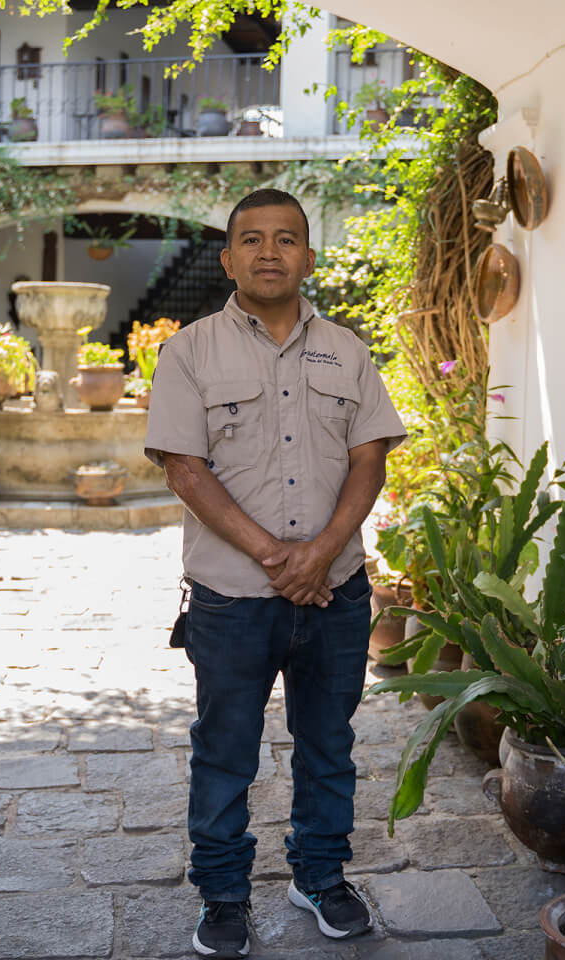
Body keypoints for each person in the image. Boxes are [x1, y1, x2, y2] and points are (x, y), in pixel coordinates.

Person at [144, 188, 406, 959]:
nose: (268, 252)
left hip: (337, 594)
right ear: (227, 259)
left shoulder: (348, 351)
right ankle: (223, 896)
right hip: (232, 600)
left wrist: (321, 552)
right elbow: (185, 472)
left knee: (329, 744)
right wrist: (280, 558)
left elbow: (371, 458)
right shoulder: (189, 352)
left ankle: (320, 877)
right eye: (251, 239)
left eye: (286, 239)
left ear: (307, 257)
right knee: (224, 749)